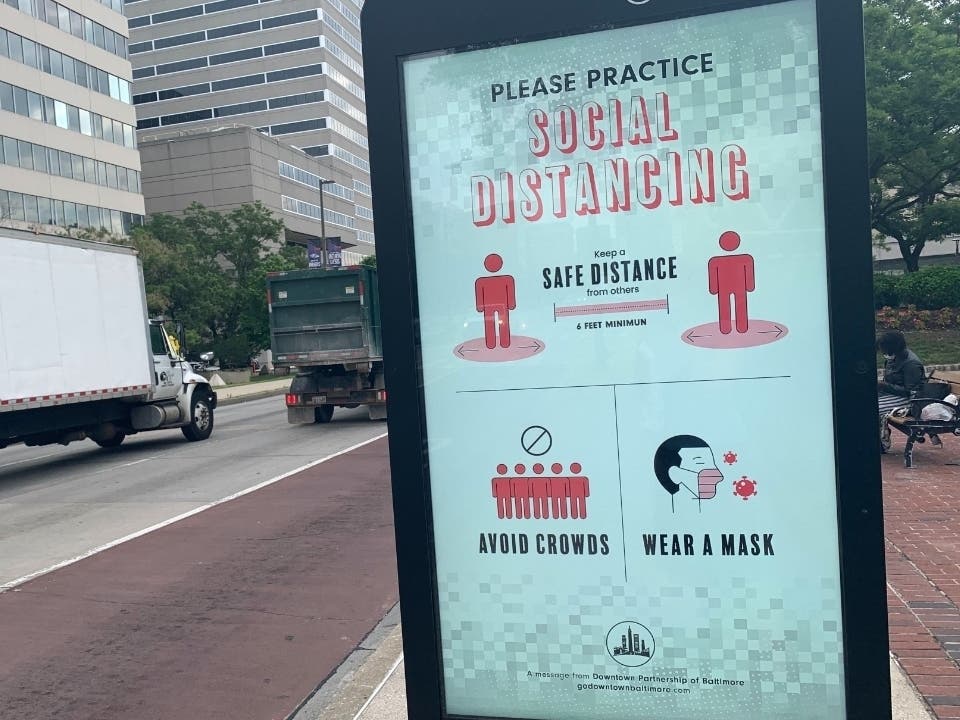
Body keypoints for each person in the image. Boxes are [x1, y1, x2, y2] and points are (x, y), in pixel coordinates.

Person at [877, 330, 927, 450]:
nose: (883, 352)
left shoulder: (911, 363)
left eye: (884, 348)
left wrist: (884, 385)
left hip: (910, 400)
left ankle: (882, 441)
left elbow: (910, 391)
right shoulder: (893, 358)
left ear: (892, 347)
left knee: (874, 408)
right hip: (894, 394)